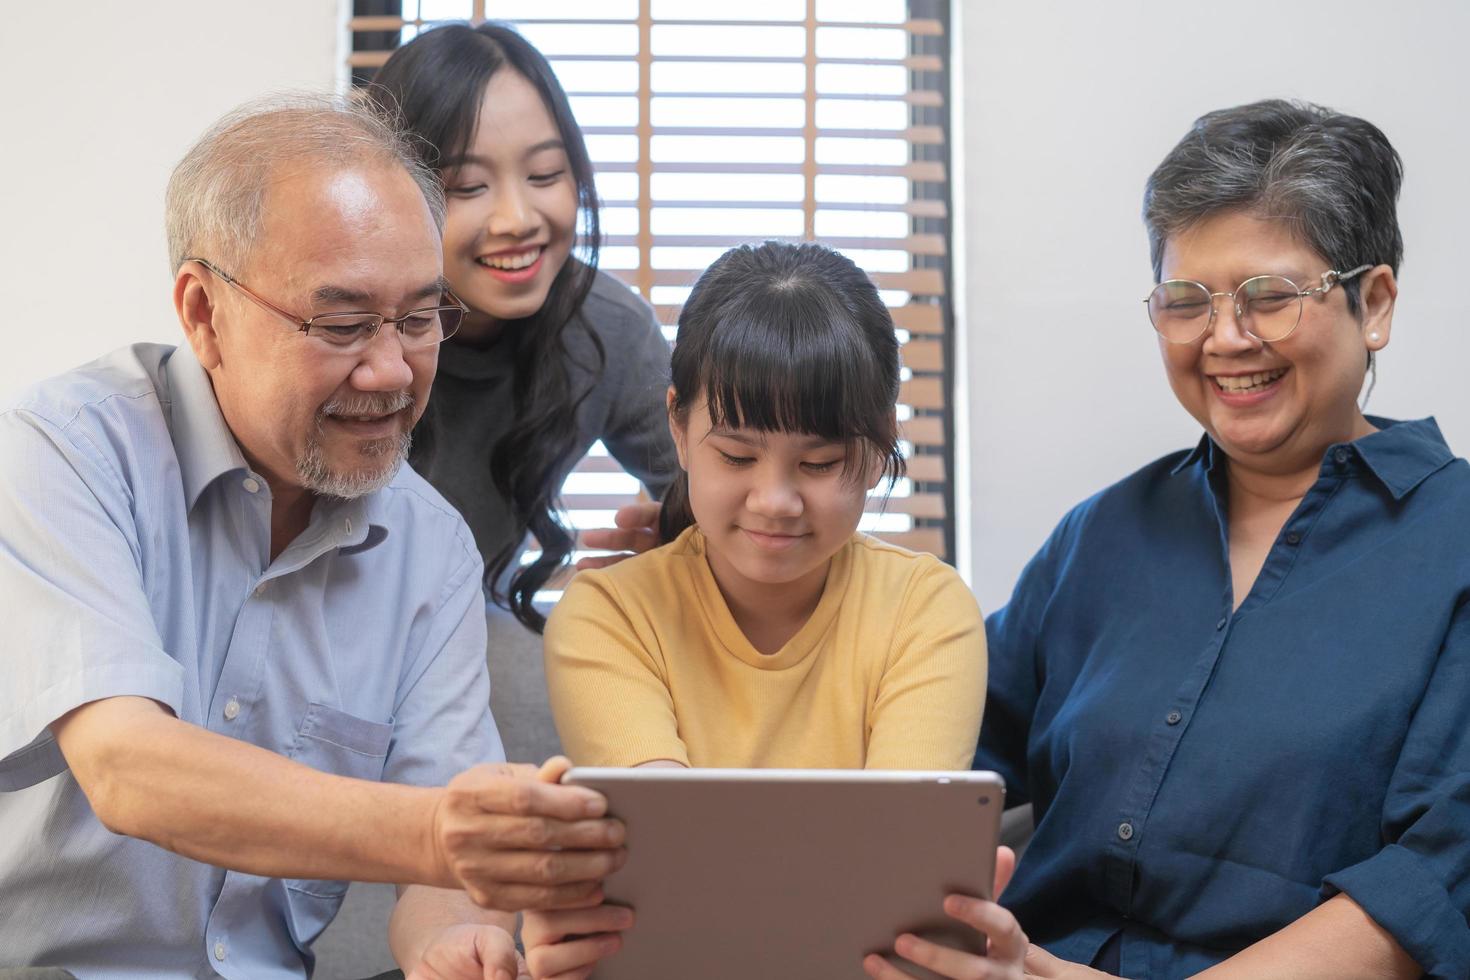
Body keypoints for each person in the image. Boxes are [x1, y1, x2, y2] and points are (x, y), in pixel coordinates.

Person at [0, 95, 625, 979]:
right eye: (340, 325)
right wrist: (435, 836)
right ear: (204, 313)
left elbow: (447, 870)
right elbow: (127, 765)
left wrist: (458, 942)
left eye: (417, 319)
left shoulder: (430, 551)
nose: (391, 372)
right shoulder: (66, 450)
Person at [868, 100, 1470, 980]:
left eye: (1269, 297)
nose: (1226, 339)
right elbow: (940, 747)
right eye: (1187, 301)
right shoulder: (1102, 535)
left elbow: (1436, 876)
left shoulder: (1451, 539)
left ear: (1371, 303)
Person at [521, 241, 987, 977]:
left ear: (876, 451)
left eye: (819, 463)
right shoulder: (609, 615)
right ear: (677, 427)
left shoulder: (927, 612)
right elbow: (674, 868)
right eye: (736, 457)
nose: (775, 500)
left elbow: (891, 891)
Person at [368, 22, 678, 634]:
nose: (517, 218)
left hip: (467, 633)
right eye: (467, 187)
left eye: (544, 176)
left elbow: (723, 480)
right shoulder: (342, 334)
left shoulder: (605, 328)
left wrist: (683, 555)